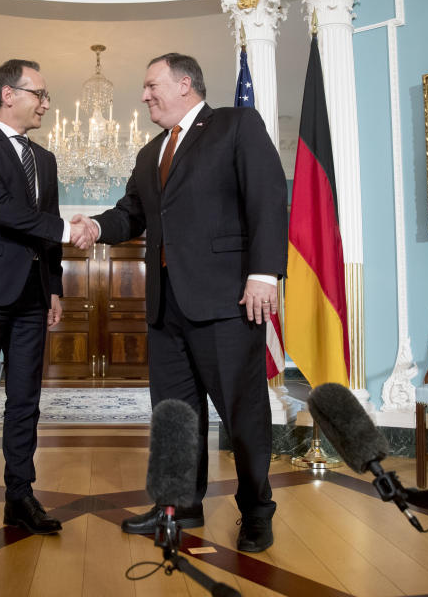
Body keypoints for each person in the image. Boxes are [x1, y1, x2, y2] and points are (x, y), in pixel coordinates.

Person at [72, 53, 288, 552]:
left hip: (227, 300)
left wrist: (263, 274)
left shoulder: (235, 124)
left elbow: (267, 196)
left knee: (242, 412)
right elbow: (132, 213)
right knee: (173, 413)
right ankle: (179, 504)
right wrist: (97, 226)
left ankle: (257, 510)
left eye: (152, 86)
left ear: (185, 83)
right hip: (165, 306)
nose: (145, 95)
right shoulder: (151, 153)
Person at [0, 59, 91, 548]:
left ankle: (19, 497)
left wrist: (53, 287)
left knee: (26, 401)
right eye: (40, 94)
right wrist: (68, 230)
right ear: (9, 94)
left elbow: (44, 225)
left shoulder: (46, 160)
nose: (46, 104)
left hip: (32, 297)